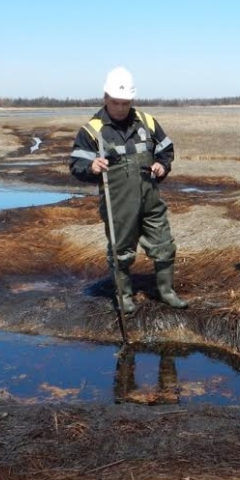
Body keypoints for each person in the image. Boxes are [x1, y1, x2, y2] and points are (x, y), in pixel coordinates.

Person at [69, 67, 188, 314]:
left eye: (126, 102)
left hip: (150, 199)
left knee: (164, 245)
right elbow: (76, 165)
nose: (121, 108)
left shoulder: (147, 122)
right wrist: (91, 167)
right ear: (105, 98)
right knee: (121, 251)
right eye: (116, 102)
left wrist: (162, 165)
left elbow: (166, 150)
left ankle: (166, 291)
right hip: (118, 205)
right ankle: (124, 296)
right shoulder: (92, 130)